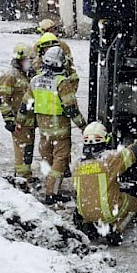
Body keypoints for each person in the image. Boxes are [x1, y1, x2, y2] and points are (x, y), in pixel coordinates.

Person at [74, 122, 137, 241]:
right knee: (135, 203)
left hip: (84, 212)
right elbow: (136, 150)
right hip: (107, 213)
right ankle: (117, 230)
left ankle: (88, 225)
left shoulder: (77, 165)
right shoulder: (110, 160)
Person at [30, 44, 85, 200]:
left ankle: (49, 185)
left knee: (47, 159)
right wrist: (83, 126)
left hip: (44, 132)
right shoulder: (62, 82)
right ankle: (51, 193)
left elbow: (26, 105)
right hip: (60, 132)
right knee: (59, 161)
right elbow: (71, 109)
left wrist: (20, 123)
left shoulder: (35, 81)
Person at [0, 43, 36, 182]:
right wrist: (9, 119)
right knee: (22, 150)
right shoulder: (10, 76)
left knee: (28, 150)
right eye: (28, 60)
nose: (30, 63)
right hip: (18, 122)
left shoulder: (27, 75)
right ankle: (22, 177)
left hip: (29, 121)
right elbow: (2, 98)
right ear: (20, 60)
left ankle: (26, 175)